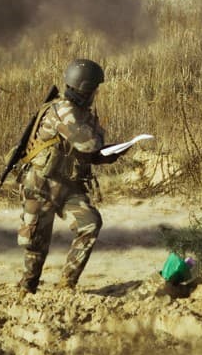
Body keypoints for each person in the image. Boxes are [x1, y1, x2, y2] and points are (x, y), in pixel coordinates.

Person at [16, 58, 122, 293]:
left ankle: (66, 285)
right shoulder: (64, 110)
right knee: (36, 245)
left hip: (67, 186)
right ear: (86, 88)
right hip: (41, 185)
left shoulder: (83, 113)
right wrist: (101, 146)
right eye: (95, 88)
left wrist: (111, 154)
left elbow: (90, 153)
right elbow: (89, 143)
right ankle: (26, 289)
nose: (96, 93)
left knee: (90, 224)